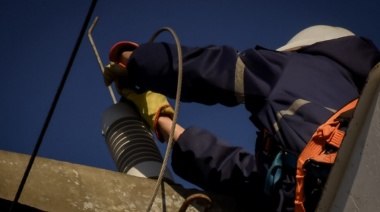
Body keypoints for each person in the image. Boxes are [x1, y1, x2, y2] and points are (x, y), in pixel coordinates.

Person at [103, 25, 380, 211]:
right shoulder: (358, 104)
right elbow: (246, 178)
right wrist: (165, 122)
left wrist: (137, 60)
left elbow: (215, 68)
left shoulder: (294, 70)